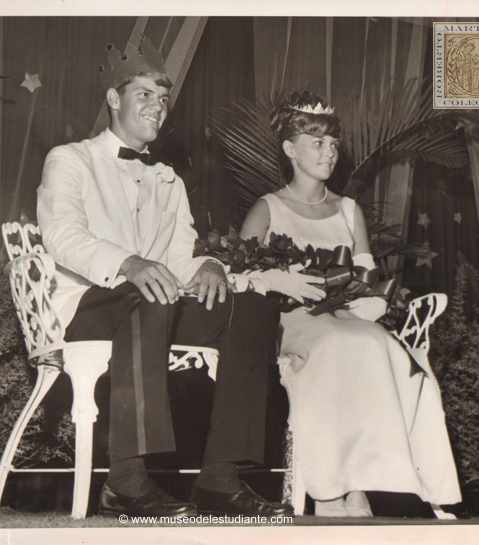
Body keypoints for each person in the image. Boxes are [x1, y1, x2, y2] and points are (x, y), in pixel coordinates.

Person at [36, 36, 291, 519]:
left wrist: (211, 266)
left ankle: (219, 477)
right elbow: (62, 235)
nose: (158, 107)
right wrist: (129, 262)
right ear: (114, 99)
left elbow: (179, 257)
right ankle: (126, 482)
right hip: (90, 307)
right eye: (145, 95)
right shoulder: (70, 159)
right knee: (145, 290)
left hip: (156, 304)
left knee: (252, 307)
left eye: (163, 97)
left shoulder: (169, 180)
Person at [239, 91, 462, 517]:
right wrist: (278, 279)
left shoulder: (348, 210)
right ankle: (328, 489)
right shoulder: (267, 208)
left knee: (379, 344)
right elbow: (240, 279)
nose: (329, 153)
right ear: (290, 149)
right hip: (292, 322)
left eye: (333, 144)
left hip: (346, 318)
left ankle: (359, 482)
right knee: (343, 343)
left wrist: (370, 301)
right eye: (317, 143)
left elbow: (365, 275)